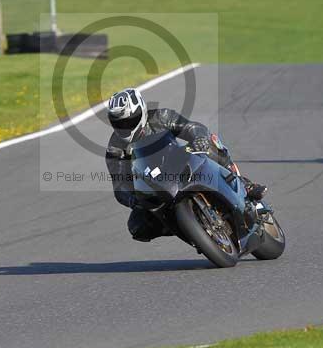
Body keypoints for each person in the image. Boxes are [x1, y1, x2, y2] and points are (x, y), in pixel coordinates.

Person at [104, 88, 267, 242]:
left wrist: (199, 138)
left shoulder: (161, 117)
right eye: (119, 123)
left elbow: (191, 127)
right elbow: (119, 185)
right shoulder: (115, 148)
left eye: (129, 121)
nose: (125, 127)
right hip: (154, 186)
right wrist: (133, 200)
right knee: (137, 226)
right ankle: (189, 230)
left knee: (209, 141)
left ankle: (245, 184)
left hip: (178, 161)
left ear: (142, 111)